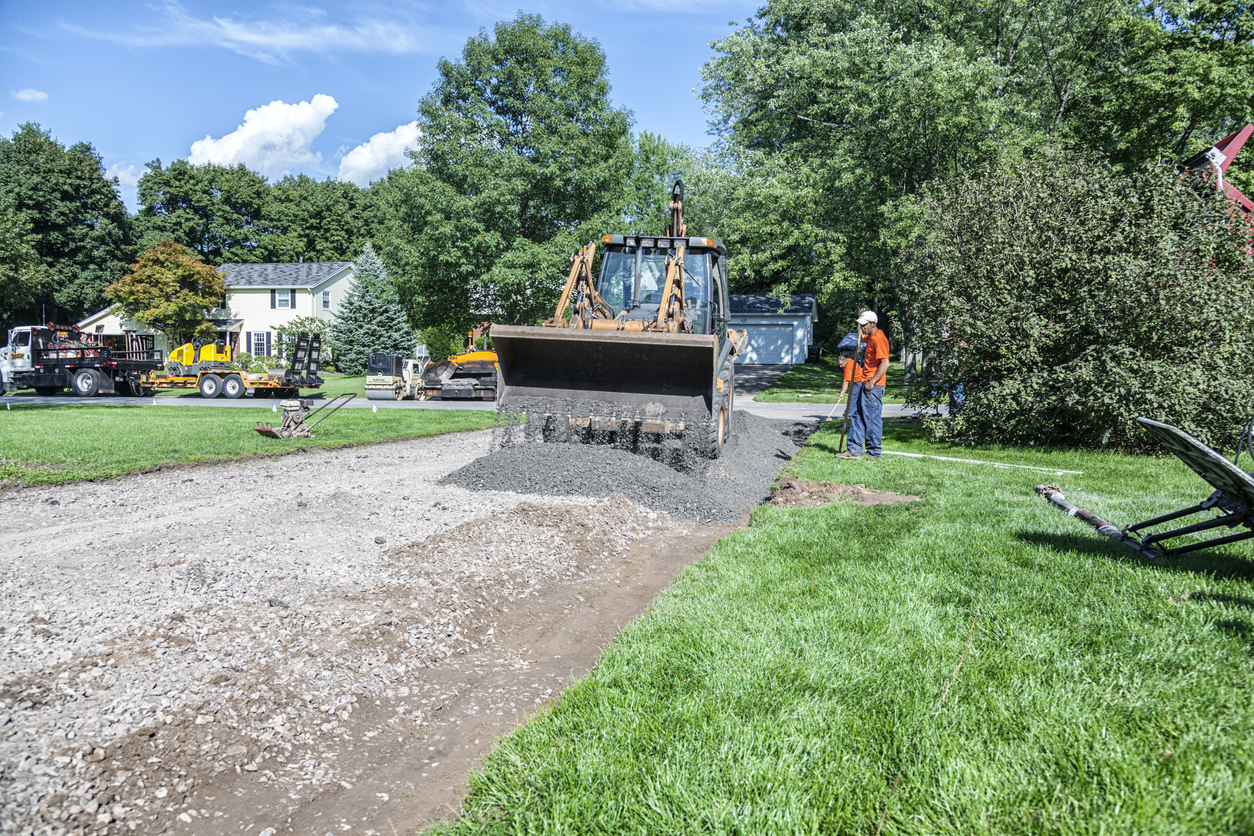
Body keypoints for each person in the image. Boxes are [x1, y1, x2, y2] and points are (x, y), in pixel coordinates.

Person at [838, 310, 890, 459]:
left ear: (873, 324)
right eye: (860, 325)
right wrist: (864, 313)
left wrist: (872, 382)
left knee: (872, 418)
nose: (861, 328)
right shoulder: (870, 337)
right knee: (857, 414)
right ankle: (853, 450)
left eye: (864, 325)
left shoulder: (879, 339)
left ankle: (874, 452)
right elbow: (861, 338)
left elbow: (885, 363)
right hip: (864, 382)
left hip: (873, 386)